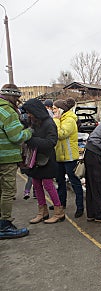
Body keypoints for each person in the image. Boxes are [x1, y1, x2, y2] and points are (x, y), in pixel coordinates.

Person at [22, 98, 64, 224]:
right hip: (35, 160)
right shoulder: (33, 122)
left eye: (30, 112)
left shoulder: (49, 123)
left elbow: (51, 142)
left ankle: (59, 212)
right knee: (36, 184)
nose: (28, 115)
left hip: (47, 160)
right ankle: (42, 212)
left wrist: (31, 140)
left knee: (48, 185)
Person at [0, 84, 32, 239]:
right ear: (13, 97)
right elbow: (16, 137)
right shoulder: (8, 112)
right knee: (8, 191)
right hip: (6, 158)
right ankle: (4, 225)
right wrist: (28, 132)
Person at [53, 98, 85, 218]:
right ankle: (61, 203)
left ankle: (80, 207)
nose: (53, 111)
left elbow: (60, 134)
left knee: (74, 182)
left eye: (55, 109)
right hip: (59, 156)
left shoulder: (70, 120)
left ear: (61, 109)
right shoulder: (60, 119)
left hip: (70, 157)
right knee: (60, 181)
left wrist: (55, 121)